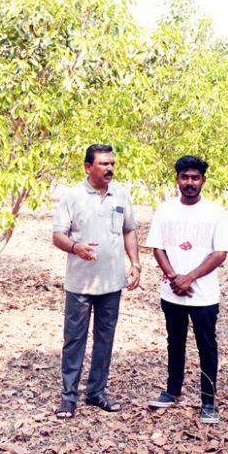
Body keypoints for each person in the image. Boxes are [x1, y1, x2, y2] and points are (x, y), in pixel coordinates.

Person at [51, 144, 141, 419]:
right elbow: (58, 236)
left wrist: (135, 263)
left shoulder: (121, 194)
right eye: (103, 164)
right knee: (74, 340)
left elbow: (129, 231)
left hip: (112, 283)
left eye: (112, 163)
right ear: (88, 167)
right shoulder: (73, 196)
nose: (110, 168)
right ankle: (68, 397)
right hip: (80, 284)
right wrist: (75, 247)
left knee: (105, 338)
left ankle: (96, 392)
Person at [145, 155, 228, 424]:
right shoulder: (165, 211)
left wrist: (190, 278)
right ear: (177, 180)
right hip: (171, 291)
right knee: (175, 342)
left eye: (195, 178)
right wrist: (173, 277)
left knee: (206, 346)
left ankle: (208, 401)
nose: (190, 182)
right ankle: (172, 391)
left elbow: (220, 253)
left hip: (203, 294)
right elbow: (157, 247)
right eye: (185, 177)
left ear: (203, 180)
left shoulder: (215, 212)